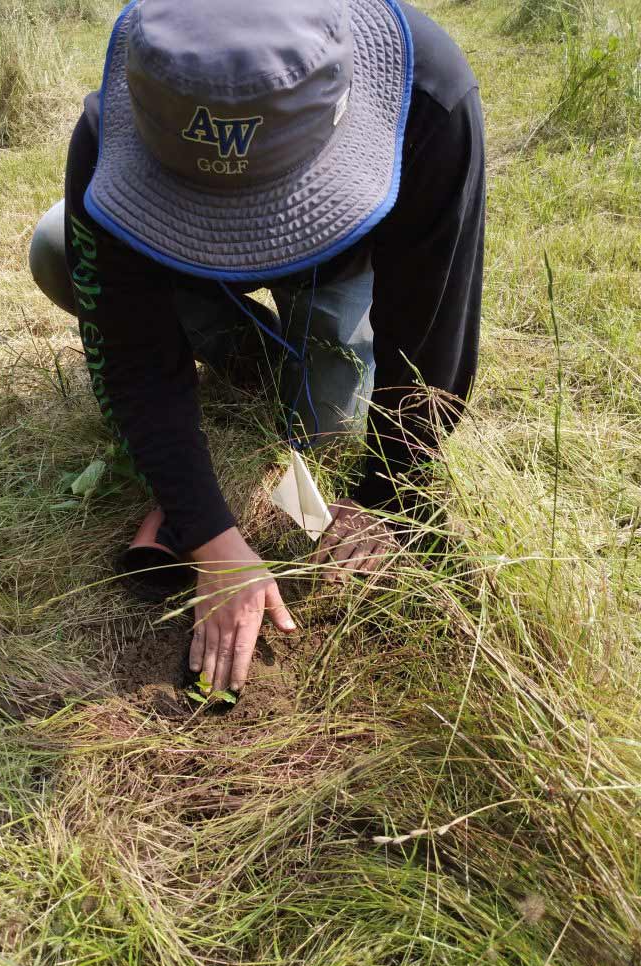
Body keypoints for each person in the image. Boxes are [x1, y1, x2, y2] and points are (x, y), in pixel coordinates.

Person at [29, 0, 485, 694]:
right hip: (175, 265)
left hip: (338, 263)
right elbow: (129, 358)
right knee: (58, 246)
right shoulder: (111, 130)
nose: (243, 238)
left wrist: (388, 489)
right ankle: (255, 358)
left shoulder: (429, 99)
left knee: (328, 431)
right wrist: (211, 536)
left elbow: (434, 319)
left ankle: (289, 359)